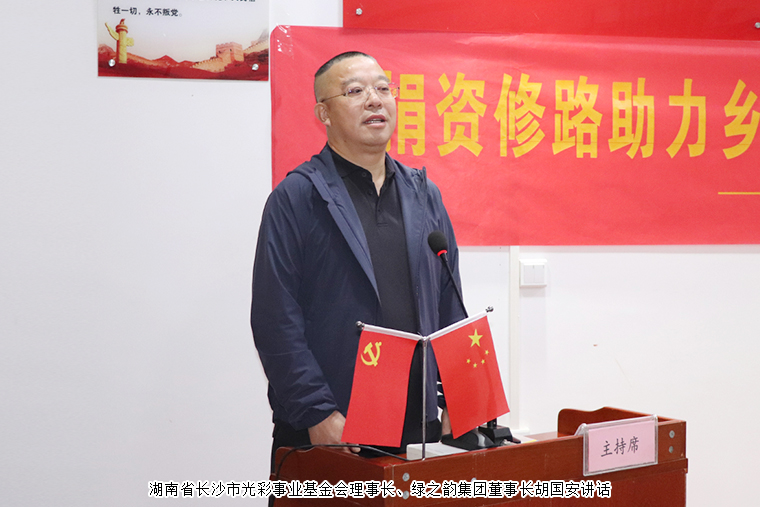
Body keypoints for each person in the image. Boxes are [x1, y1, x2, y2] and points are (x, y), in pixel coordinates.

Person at [251, 51, 465, 472]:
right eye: (355, 91)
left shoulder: (425, 196)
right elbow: (275, 319)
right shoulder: (298, 198)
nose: (375, 99)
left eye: (383, 88)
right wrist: (317, 413)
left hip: (415, 428)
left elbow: (450, 306)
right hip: (333, 429)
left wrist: (456, 397)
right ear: (324, 114)